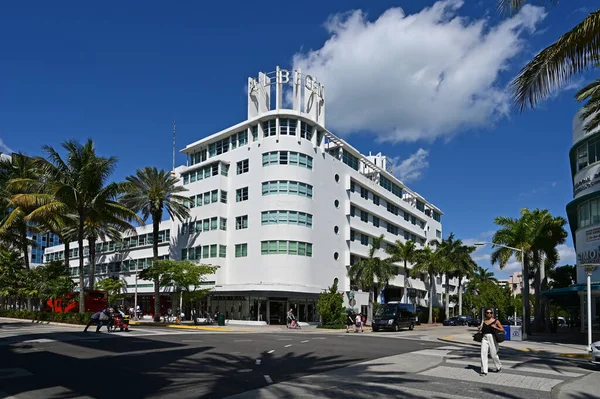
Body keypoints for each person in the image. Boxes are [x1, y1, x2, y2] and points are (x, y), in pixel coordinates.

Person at [478, 308, 504, 376]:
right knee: (483, 354)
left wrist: (495, 327)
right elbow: (481, 329)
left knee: (493, 354)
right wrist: (480, 327)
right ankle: (484, 371)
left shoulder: (496, 321)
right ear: (485, 314)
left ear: (492, 314)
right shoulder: (484, 321)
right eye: (487, 312)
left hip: (492, 338)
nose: (489, 314)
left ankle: (499, 366)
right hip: (484, 337)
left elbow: (502, 329)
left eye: (490, 313)